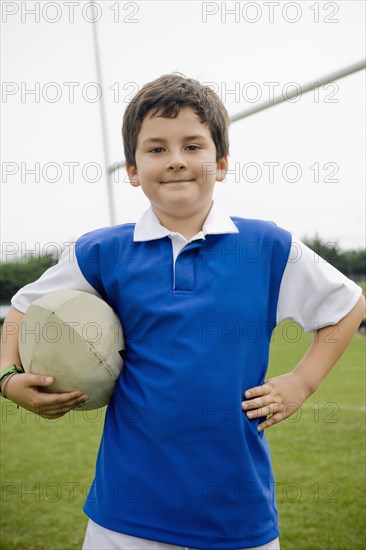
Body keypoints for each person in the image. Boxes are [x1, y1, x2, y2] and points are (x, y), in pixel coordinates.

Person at [0, 74, 364, 550]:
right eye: (156, 149)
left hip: (238, 516)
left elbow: (348, 304)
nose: (176, 161)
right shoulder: (102, 251)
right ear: (132, 169)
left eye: (193, 146)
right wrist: (8, 378)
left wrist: (301, 382)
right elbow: (23, 309)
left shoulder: (266, 246)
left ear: (222, 162)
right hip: (124, 517)